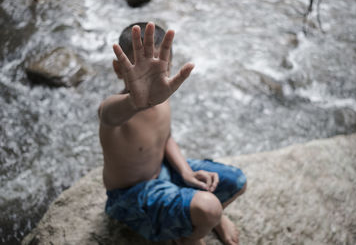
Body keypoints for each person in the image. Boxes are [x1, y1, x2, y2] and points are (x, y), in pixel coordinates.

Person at [98, 22, 247, 245]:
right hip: (130, 197)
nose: (147, 78)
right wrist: (136, 102)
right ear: (119, 69)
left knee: (237, 181)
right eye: (138, 68)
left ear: (168, 67)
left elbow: (165, 138)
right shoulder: (118, 111)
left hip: (165, 171)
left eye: (156, 69)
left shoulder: (162, 100)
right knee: (209, 207)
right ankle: (189, 236)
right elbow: (107, 114)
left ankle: (207, 220)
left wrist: (186, 172)